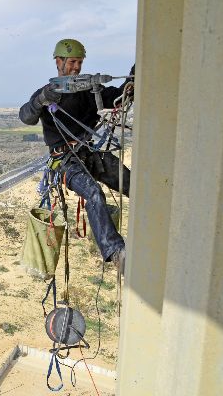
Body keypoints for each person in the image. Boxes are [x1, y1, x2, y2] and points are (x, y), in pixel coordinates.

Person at [19, 38, 134, 273]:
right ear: (59, 62)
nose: (76, 68)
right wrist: (41, 99)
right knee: (93, 192)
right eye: (72, 62)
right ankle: (116, 252)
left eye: (79, 62)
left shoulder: (89, 91)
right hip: (65, 161)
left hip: (88, 153)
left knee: (131, 183)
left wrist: (136, 72)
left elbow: (121, 97)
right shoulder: (48, 94)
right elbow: (26, 116)